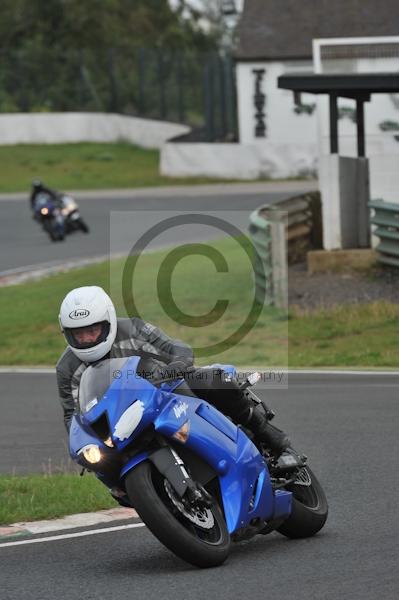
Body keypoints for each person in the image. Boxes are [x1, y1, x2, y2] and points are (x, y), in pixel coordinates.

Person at [56, 286, 290, 455]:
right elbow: (72, 416)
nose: (86, 338)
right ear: (67, 333)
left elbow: (174, 347)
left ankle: (264, 431)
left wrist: (178, 364)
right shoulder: (67, 368)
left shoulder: (133, 329)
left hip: (167, 390)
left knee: (211, 380)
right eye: (79, 333)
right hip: (120, 422)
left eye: (92, 330)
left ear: (108, 323)